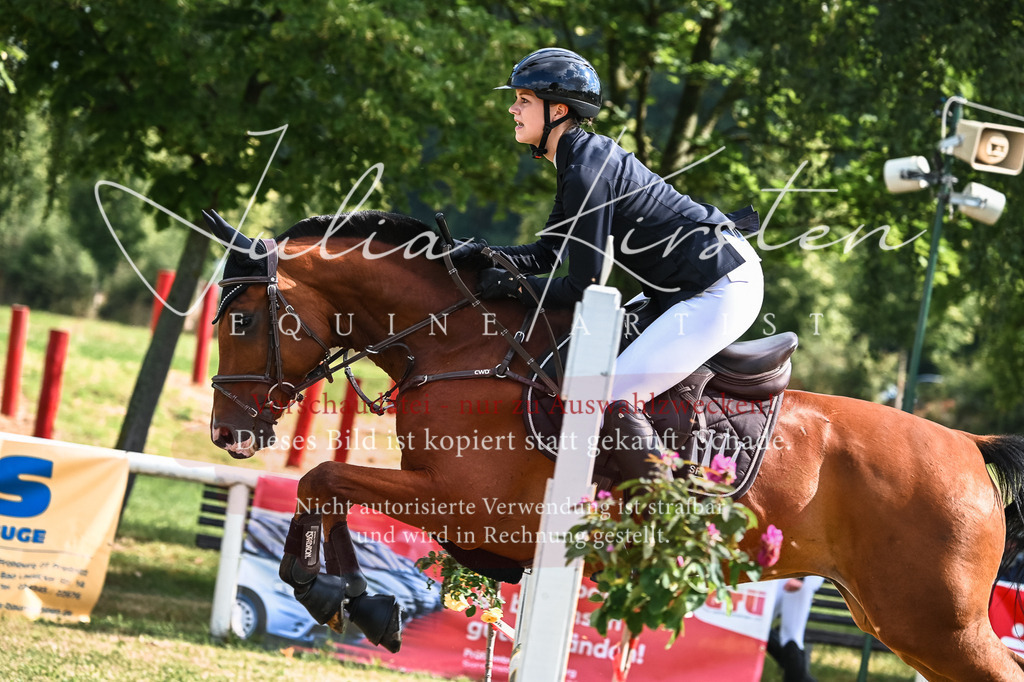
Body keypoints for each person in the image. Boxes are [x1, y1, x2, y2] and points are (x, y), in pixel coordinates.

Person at [452, 47, 764, 482]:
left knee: (609, 397)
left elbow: (585, 287)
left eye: (523, 100)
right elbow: (547, 253)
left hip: (720, 287)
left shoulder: (585, 170)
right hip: (687, 284)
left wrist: (512, 286)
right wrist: (480, 253)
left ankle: (675, 500)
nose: (513, 109)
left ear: (558, 110)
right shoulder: (577, 161)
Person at [766, 576, 826, 682]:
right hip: (776, 575)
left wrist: (800, 577)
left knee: (792, 637)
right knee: (755, 625)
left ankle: (800, 677)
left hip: (801, 575)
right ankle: (802, 676)